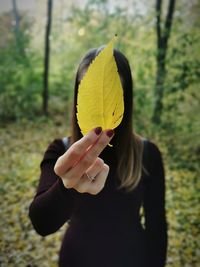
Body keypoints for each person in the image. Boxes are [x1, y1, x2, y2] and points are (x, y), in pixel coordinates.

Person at [29, 47, 168, 267]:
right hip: (76, 260)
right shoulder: (61, 150)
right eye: (89, 92)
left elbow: (157, 227)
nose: (100, 103)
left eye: (111, 92)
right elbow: (41, 224)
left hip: (132, 259)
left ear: (125, 98)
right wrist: (67, 186)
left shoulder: (147, 154)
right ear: (77, 97)